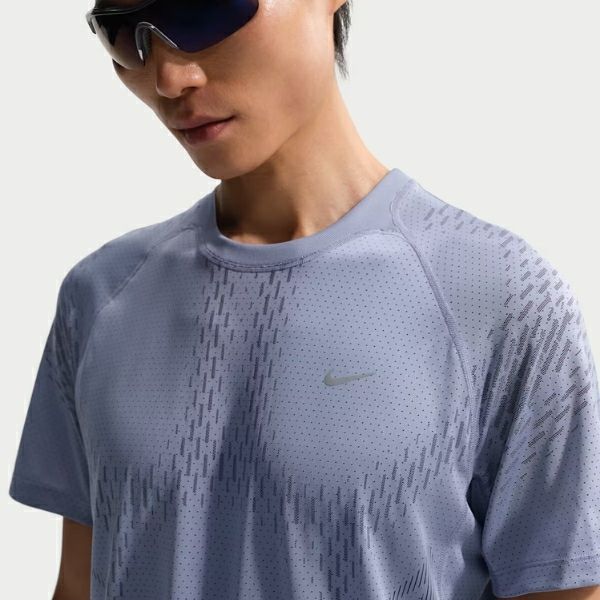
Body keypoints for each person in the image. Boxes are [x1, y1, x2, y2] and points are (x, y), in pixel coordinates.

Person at [8, 1, 600, 599]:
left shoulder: (498, 296)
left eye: (203, 11)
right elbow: (78, 585)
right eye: (123, 34)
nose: (167, 78)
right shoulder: (101, 296)